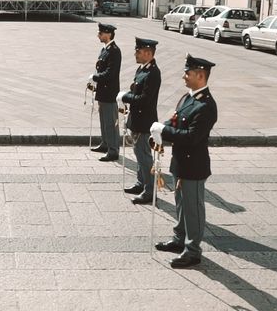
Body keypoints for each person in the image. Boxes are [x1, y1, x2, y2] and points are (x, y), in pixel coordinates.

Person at [152, 54, 217, 269]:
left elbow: (191, 136)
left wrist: (165, 131)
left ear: (200, 75)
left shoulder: (206, 106)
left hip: (194, 165)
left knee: (193, 209)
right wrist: (160, 129)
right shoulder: (188, 97)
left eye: (187, 73)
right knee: (181, 205)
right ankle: (179, 239)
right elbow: (174, 120)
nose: (183, 76)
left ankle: (193, 251)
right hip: (180, 162)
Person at [117, 37, 161, 205]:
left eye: (138, 51)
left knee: (144, 156)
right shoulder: (142, 69)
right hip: (136, 119)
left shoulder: (153, 73)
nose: (135, 53)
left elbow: (144, 99)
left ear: (148, 53)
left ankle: (149, 190)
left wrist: (126, 97)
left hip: (144, 120)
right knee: (138, 153)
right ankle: (140, 182)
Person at [89, 23, 121, 161]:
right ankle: (105, 143)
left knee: (110, 122)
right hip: (103, 91)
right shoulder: (105, 49)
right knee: (103, 120)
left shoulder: (114, 51)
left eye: (101, 33)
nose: (98, 35)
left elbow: (110, 73)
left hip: (109, 92)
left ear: (108, 34)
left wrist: (96, 77)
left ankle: (113, 150)